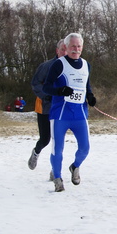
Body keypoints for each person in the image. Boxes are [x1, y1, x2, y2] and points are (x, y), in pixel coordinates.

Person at [42, 32, 97, 192]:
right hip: (60, 115)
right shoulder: (59, 64)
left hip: (79, 115)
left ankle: (75, 167)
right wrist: (60, 91)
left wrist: (91, 96)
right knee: (57, 148)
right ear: (66, 47)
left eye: (79, 46)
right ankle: (58, 178)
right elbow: (46, 87)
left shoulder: (86, 65)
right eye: (73, 46)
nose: (76, 49)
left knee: (85, 148)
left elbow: (86, 85)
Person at [28, 39, 67, 173]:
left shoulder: (71, 67)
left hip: (62, 109)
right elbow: (35, 84)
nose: (65, 52)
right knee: (45, 139)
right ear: (57, 51)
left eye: (68, 50)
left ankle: (54, 169)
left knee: (59, 140)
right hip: (45, 108)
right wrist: (47, 95)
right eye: (63, 49)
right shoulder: (46, 66)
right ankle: (36, 152)